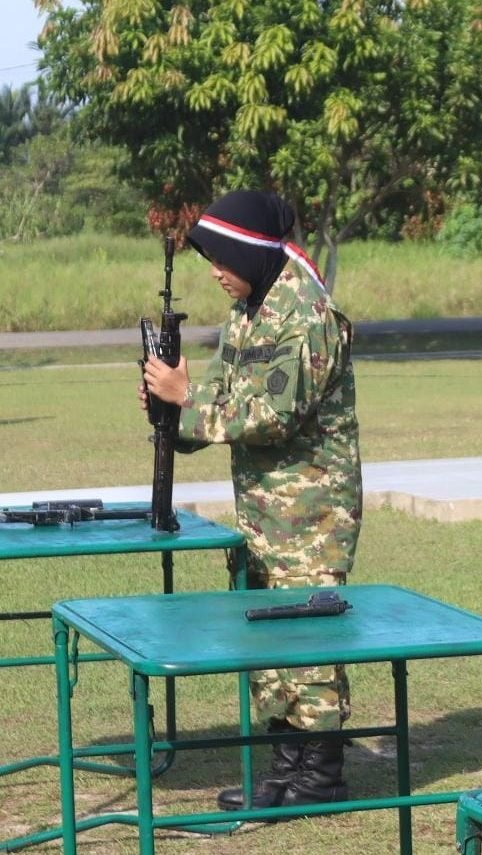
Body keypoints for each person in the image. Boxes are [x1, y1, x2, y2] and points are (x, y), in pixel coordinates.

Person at [139, 190, 362, 813]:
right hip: (263, 509)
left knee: (311, 637)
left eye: (222, 257)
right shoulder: (250, 307)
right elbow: (220, 398)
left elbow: (274, 414)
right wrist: (171, 415)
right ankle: (285, 769)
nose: (214, 270)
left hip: (312, 509)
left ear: (250, 251)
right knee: (269, 635)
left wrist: (188, 401)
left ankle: (320, 776)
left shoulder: (308, 313)